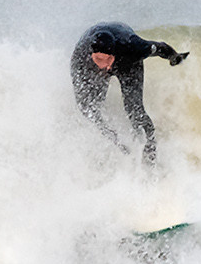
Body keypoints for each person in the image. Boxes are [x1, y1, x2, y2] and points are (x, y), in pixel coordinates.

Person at [70, 21, 188, 163]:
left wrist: (175, 58)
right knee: (91, 108)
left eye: (109, 59)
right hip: (92, 65)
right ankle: (119, 145)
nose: (106, 65)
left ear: (113, 54)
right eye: (100, 59)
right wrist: (112, 135)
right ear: (92, 55)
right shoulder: (80, 59)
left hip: (125, 60)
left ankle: (150, 149)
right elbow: (84, 106)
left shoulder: (133, 47)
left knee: (135, 111)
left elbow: (160, 47)